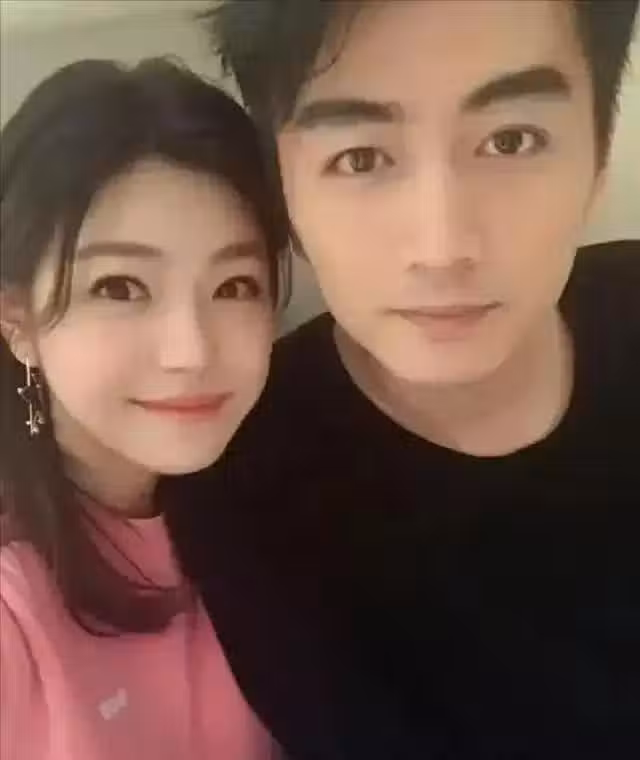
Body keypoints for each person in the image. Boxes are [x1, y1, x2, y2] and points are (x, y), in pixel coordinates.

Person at [167, 1, 640, 759]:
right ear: (282, 193)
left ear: (598, 157)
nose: (442, 246)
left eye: (511, 140)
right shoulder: (244, 481)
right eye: (361, 158)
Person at [0, 58, 288, 760]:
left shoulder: (278, 510)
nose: (191, 351)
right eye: (120, 287)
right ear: (17, 322)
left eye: (234, 286)